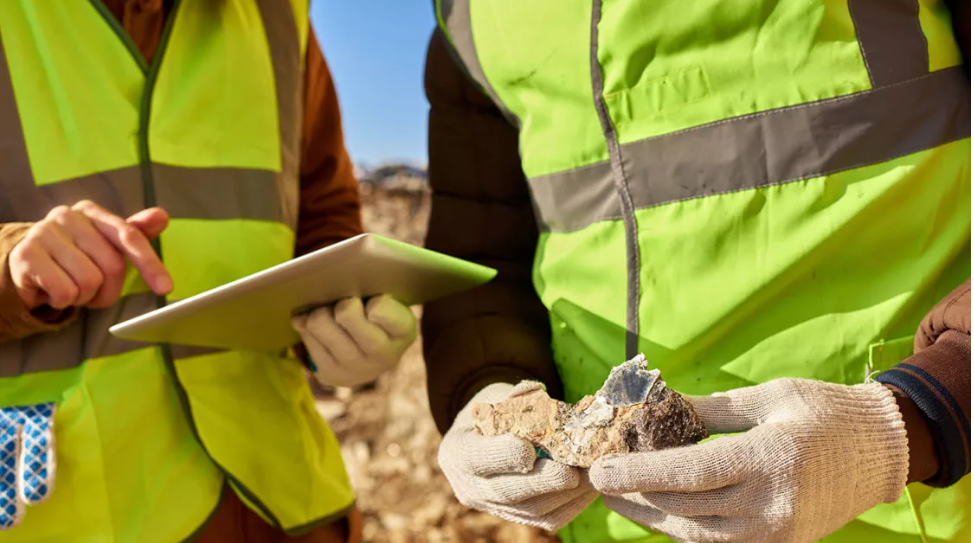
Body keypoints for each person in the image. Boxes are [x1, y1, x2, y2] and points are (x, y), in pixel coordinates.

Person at [421, 0, 971, 541]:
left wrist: (922, 411)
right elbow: (482, 258)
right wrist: (483, 388)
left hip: (908, 495)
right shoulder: (465, 12)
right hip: (611, 519)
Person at [0, 1, 416, 542]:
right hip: (69, 509)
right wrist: (11, 263)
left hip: (283, 501)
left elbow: (324, 214)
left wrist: (343, 325)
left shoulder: (279, 15)